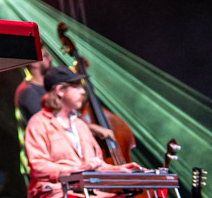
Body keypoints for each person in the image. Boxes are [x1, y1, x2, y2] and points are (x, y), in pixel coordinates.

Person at [24, 67, 142, 198]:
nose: (83, 91)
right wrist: (75, 171)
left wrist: (119, 170)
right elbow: (38, 166)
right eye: (77, 87)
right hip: (57, 191)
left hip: (89, 193)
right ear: (60, 90)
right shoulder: (38, 123)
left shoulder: (80, 125)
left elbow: (96, 164)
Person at [15, 50, 52, 127]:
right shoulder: (27, 92)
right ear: (34, 63)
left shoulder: (49, 83)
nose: (50, 58)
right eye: (45, 56)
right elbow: (49, 121)